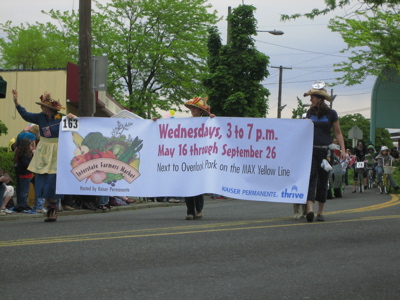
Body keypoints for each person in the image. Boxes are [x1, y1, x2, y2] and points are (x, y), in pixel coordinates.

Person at [12, 89, 76, 222]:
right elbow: (26, 115)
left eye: (43, 106)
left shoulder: (61, 118)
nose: (41, 107)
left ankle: (53, 210)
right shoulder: (40, 117)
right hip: (43, 150)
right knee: (41, 179)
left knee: (53, 180)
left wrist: (73, 117)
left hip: (56, 150)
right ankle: (48, 206)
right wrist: (16, 102)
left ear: (50, 109)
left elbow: (74, 128)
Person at [303, 83, 346, 222]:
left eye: (312, 97)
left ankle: (320, 212)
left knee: (323, 181)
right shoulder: (310, 112)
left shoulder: (331, 114)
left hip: (326, 152)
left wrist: (343, 150)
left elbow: (338, 133)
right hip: (311, 150)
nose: (310, 100)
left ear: (320, 99)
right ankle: (310, 209)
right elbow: (303, 129)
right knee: (311, 178)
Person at [183, 97, 215, 220]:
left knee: (198, 184)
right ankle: (190, 211)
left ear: (201, 111)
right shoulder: (186, 122)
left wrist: (213, 119)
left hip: (201, 157)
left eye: (195, 108)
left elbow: (215, 129)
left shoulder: (207, 121)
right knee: (188, 185)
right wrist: (156, 122)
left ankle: (199, 209)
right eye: (192, 108)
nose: (193, 110)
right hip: (187, 157)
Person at [14, 137, 36, 213]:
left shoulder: (21, 153)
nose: (31, 147)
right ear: (27, 146)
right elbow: (26, 164)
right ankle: (22, 205)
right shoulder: (24, 155)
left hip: (25, 174)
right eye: (30, 145)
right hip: (25, 174)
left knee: (22, 190)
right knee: (24, 191)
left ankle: (21, 204)